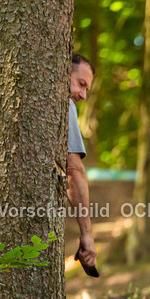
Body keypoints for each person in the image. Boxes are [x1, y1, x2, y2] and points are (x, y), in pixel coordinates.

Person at [67, 52, 98, 275]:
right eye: (81, 84)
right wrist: (87, 233)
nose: (83, 95)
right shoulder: (64, 104)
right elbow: (73, 169)